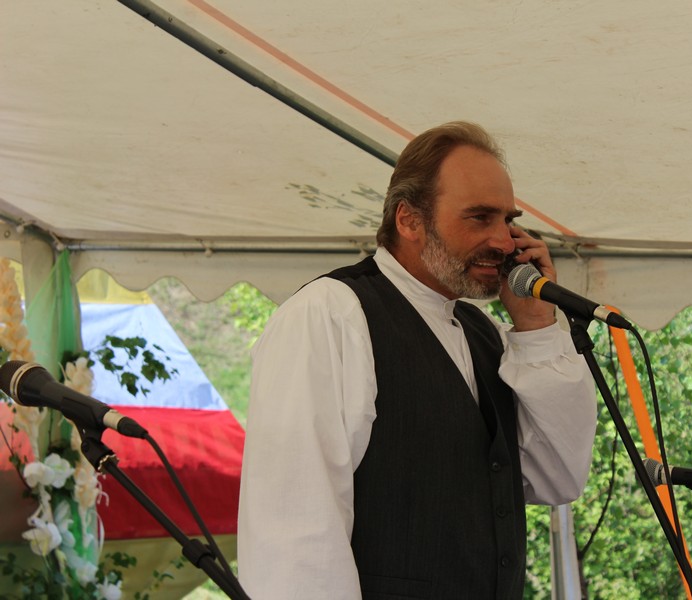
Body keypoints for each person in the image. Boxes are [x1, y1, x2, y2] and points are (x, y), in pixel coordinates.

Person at [238, 122, 597, 599]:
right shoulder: (331, 313)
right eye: (479, 218)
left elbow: (556, 477)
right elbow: (295, 533)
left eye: (507, 220)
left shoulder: (482, 332)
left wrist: (535, 327)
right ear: (409, 220)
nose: (505, 242)